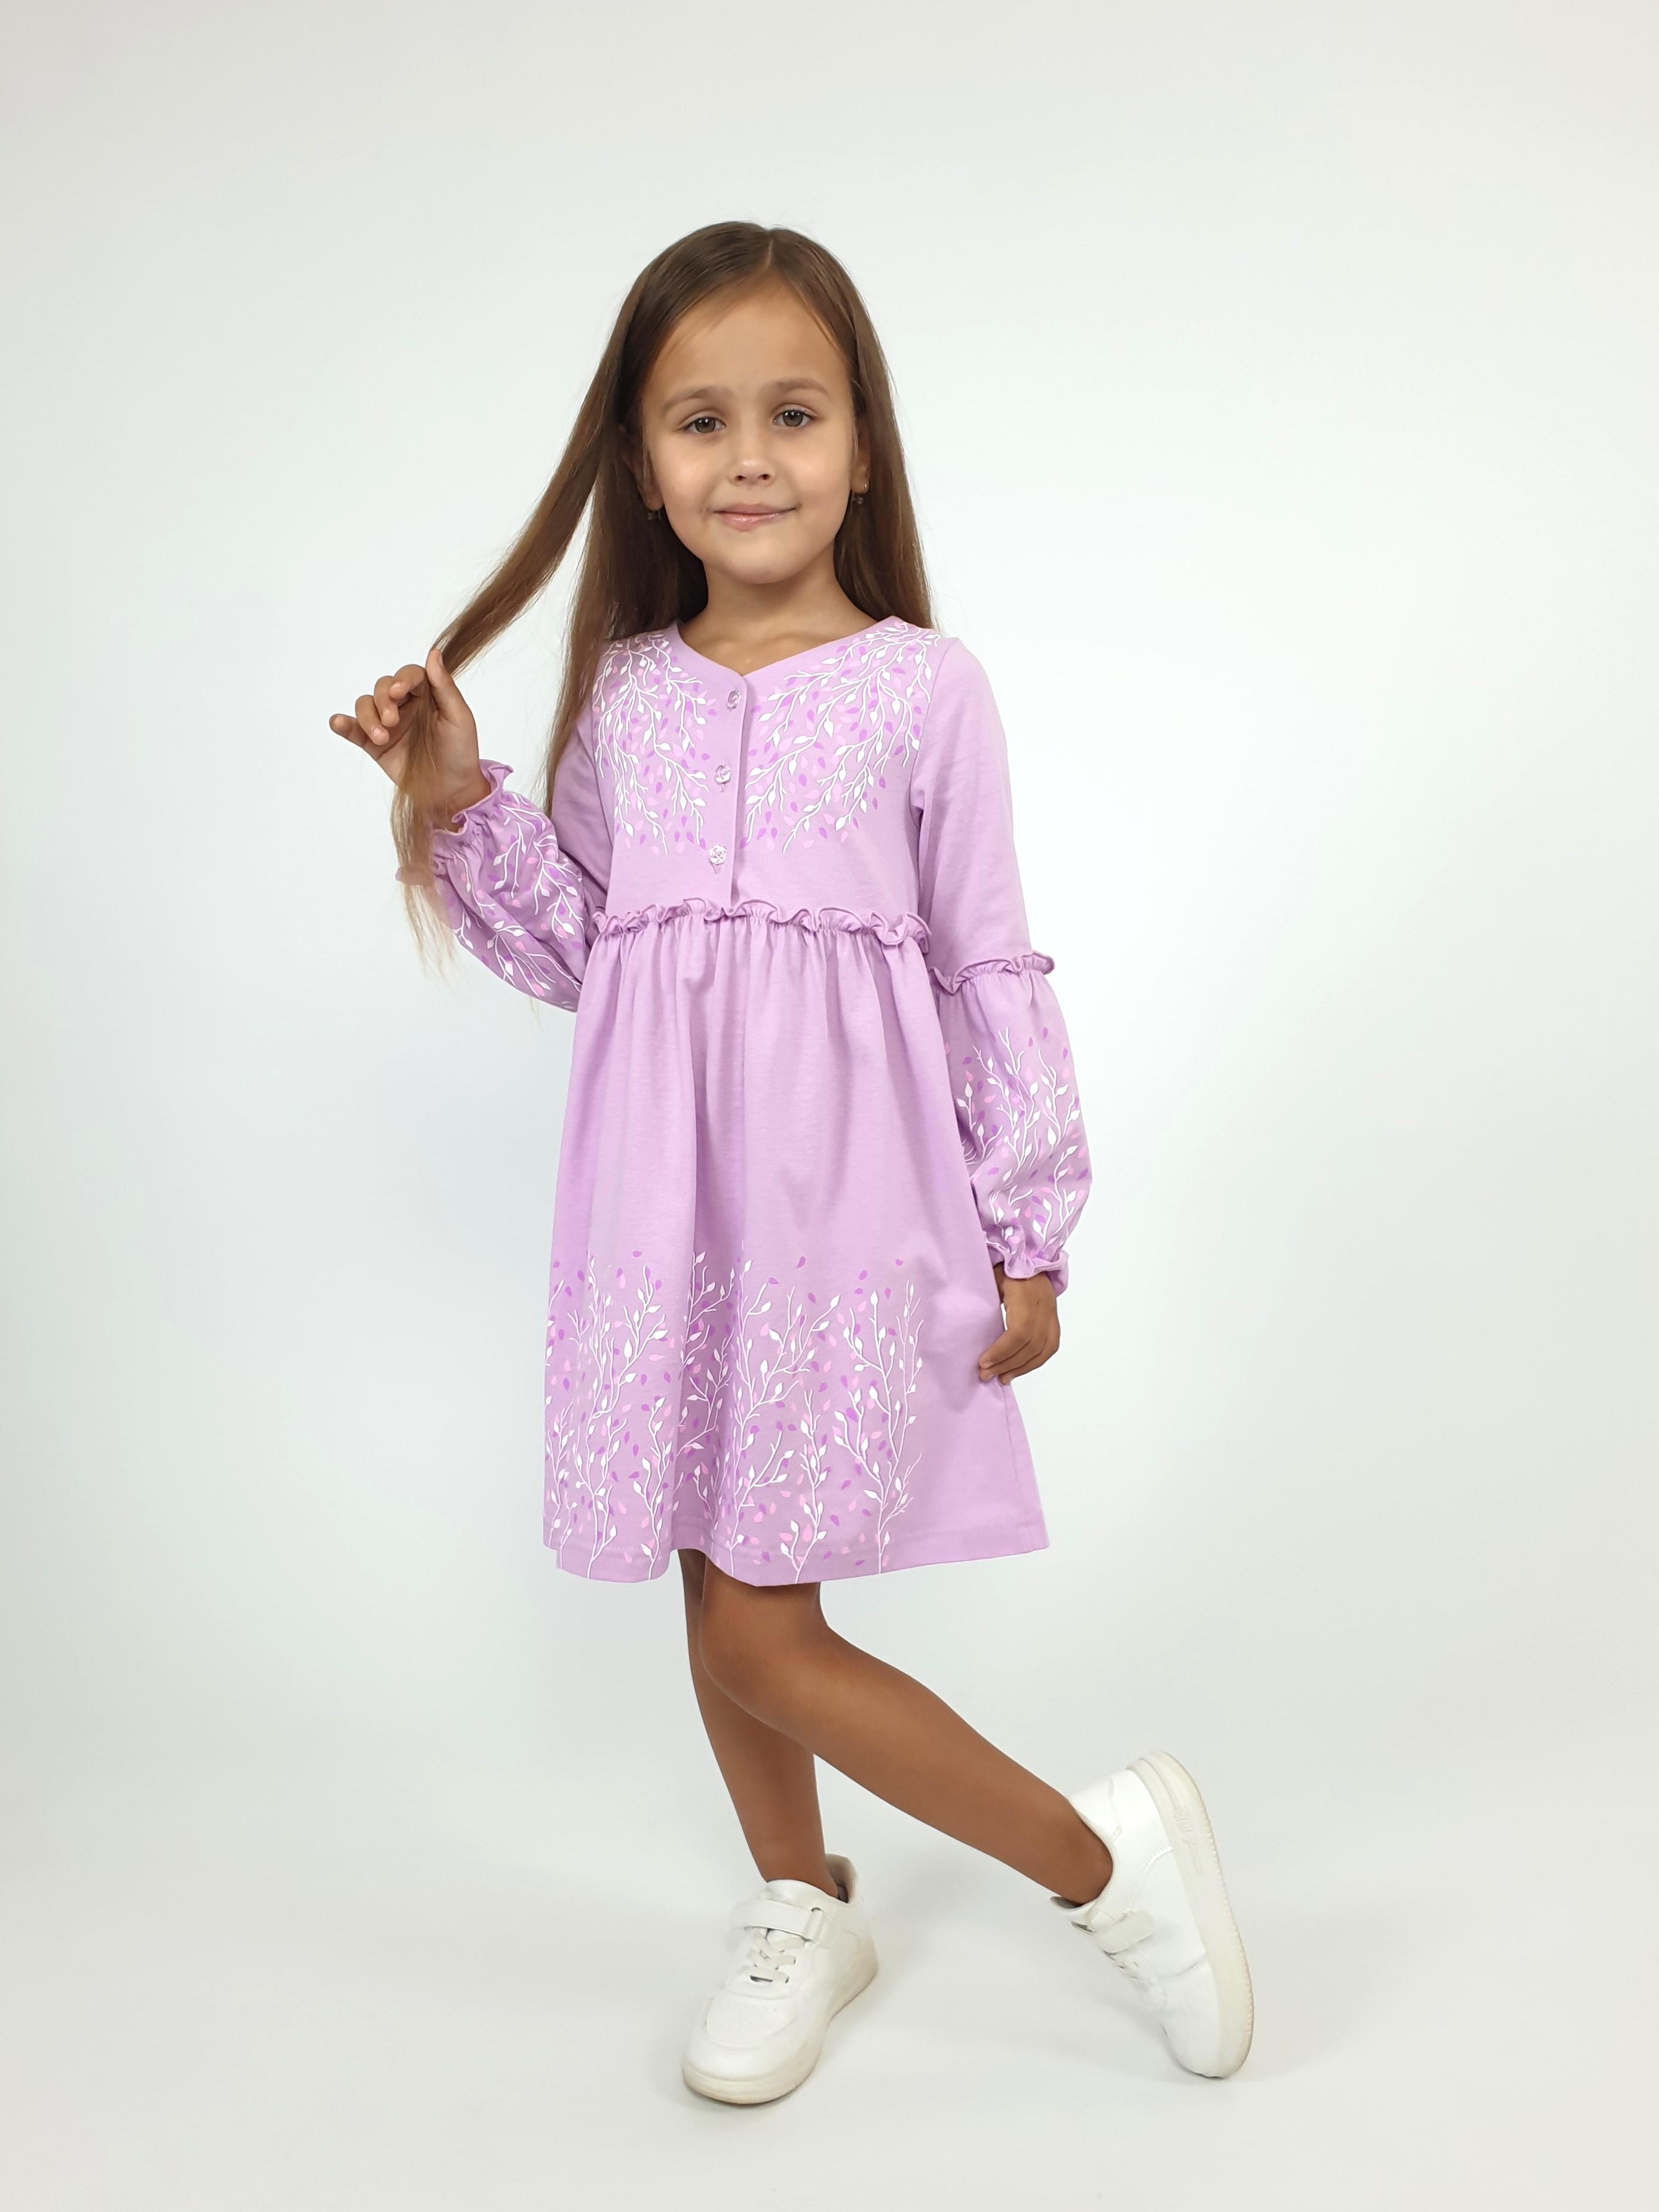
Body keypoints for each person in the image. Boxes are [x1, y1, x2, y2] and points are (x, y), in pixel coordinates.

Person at [330, 220, 1252, 2105]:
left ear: (861, 446)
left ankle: (1105, 1866)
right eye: (701, 421)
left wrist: (1028, 1228)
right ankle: (803, 1895)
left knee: (764, 1621)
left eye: (794, 413)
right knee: (712, 1577)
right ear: (642, 462)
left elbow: (988, 962)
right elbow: (595, 956)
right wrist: (451, 798)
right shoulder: (629, 695)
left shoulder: (926, 689)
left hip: (847, 1221)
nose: (750, 458)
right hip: (658, 1216)